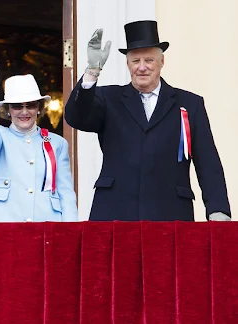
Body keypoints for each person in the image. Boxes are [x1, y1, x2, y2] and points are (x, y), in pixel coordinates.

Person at [65, 21, 231, 221]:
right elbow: (77, 118)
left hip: (171, 212)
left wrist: (218, 209)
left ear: (162, 62)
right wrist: (92, 72)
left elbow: (208, 161)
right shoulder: (108, 98)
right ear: (128, 64)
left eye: (149, 60)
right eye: (135, 61)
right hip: (114, 211)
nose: (142, 67)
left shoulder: (190, 103)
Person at [0, 52, 77, 222]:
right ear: (7, 110)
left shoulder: (58, 143)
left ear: (39, 107)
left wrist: (71, 230)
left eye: (31, 105)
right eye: (17, 106)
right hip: (5, 225)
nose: (24, 111)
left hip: (47, 224)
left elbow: (65, 192)